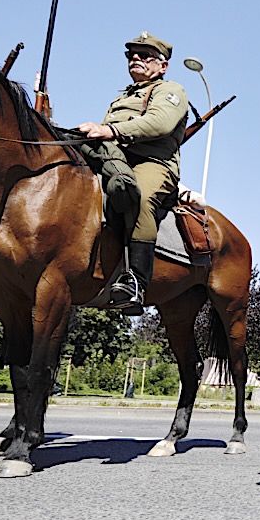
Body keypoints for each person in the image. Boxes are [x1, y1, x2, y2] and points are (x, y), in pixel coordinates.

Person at [77, 32, 186, 313]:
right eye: (131, 55)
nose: (136, 59)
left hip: (152, 162)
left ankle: (135, 280)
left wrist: (110, 130)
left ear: (163, 66)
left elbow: (159, 122)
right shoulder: (123, 96)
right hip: (115, 159)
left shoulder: (170, 90)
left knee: (139, 196)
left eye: (145, 55)